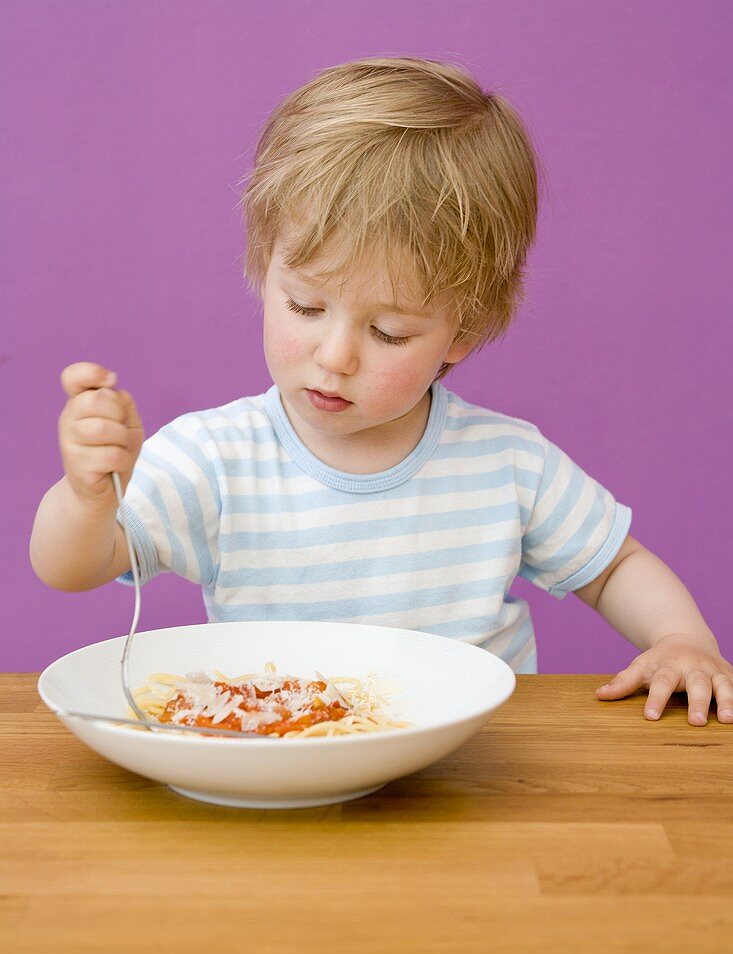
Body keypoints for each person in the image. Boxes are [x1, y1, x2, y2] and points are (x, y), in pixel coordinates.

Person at [30, 55, 732, 725]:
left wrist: (679, 637)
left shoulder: (507, 464)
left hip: (472, 777)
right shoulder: (216, 458)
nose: (333, 357)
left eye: (389, 332)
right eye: (305, 307)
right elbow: (72, 568)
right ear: (261, 268)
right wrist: (88, 501)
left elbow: (614, 569)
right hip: (284, 761)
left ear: (464, 331)